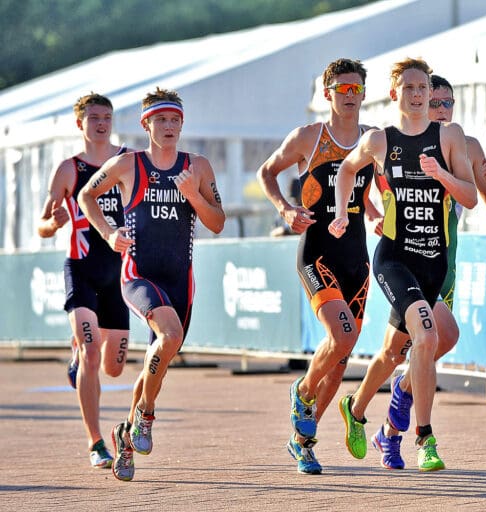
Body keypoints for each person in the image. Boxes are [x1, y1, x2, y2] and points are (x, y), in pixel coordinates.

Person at [337, 74, 486, 470]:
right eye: (435, 103)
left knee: (420, 346)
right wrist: (374, 214)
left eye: (448, 103)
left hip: (442, 260)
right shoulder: (399, 140)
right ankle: (412, 433)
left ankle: (370, 417)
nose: (441, 110)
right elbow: (364, 175)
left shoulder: (464, 144)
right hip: (403, 256)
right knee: (420, 343)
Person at [78, 88, 225, 481]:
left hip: (180, 279)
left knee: (159, 357)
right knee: (170, 335)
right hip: (138, 274)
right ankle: (145, 417)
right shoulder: (128, 164)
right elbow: (86, 195)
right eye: (161, 120)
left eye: (175, 120)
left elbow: (217, 222)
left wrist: (193, 194)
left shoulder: (198, 166)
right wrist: (109, 234)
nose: (169, 127)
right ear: (146, 124)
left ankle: (126, 435)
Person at [258, 58, 381, 475]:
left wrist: (377, 213)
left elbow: (367, 190)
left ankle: (302, 442)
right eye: (342, 89)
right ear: (327, 94)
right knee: (342, 336)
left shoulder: (373, 140)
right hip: (317, 253)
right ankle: (302, 391)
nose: (350, 96)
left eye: (356, 89)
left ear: (365, 93)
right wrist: (284, 209)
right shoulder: (308, 138)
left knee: (341, 358)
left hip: (356, 258)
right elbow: (266, 172)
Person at [37, 93, 132, 469]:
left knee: (114, 366)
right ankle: (96, 443)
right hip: (81, 267)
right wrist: (53, 223)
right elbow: (43, 225)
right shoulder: (68, 170)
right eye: (93, 118)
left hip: (119, 272)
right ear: (80, 124)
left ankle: (79, 354)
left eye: (106, 117)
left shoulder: (127, 161)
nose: (101, 123)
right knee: (92, 354)